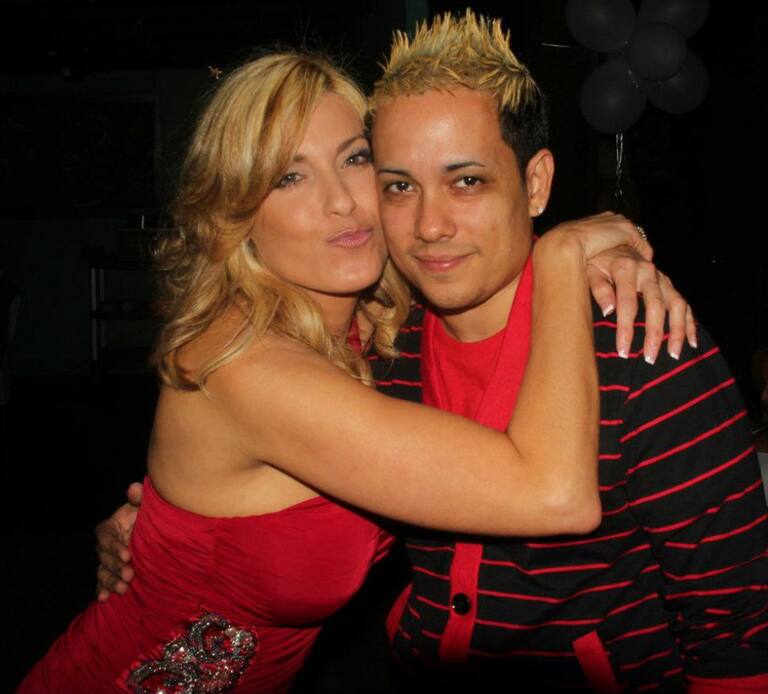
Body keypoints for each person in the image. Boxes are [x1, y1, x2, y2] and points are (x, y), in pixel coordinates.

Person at [20, 50, 685, 694]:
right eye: (290, 177)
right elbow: (554, 494)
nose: (341, 202)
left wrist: (618, 254)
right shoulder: (246, 367)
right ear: (237, 214)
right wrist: (563, 255)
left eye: (354, 159)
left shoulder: (376, 326)